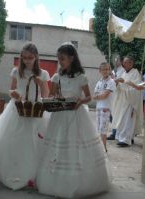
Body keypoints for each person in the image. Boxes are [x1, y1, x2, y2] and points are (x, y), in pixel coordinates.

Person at [36, 43, 111, 198]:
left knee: (75, 145)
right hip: (60, 114)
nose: (60, 61)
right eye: (58, 59)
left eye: (62, 58)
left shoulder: (81, 77)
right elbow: (54, 95)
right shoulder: (57, 77)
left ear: (71, 58)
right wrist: (54, 98)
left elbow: (89, 97)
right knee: (59, 145)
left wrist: (80, 102)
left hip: (77, 114)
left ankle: (78, 181)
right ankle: (57, 181)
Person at [0, 42, 50, 190]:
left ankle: (32, 173)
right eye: (24, 58)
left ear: (36, 57)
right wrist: (14, 94)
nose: (27, 61)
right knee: (14, 140)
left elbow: (46, 95)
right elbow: (11, 89)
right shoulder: (16, 71)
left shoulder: (43, 73)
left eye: (30, 57)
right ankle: (14, 170)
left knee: (33, 143)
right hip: (18, 108)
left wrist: (40, 83)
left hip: (35, 109)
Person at [111, 55, 144, 147]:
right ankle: (125, 137)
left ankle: (125, 139)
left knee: (127, 121)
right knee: (122, 120)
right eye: (124, 62)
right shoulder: (123, 73)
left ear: (131, 63)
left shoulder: (135, 73)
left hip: (130, 102)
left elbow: (136, 88)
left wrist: (123, 82)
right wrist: (117, 83)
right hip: (122, 101)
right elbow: (119, 87)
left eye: (126, 62)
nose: (124, 64)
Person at [94, 63, 116, 152]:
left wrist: (99, 95)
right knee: (99, 129)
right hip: (98, 107)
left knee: (103, 130)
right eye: (103, 69)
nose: (106, 71)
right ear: (100, 71)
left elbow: (105, 96)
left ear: (110, 70)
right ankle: (100, 148)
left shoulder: (111, 82)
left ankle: (104, 149)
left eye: (107, 69)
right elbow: (94, 95)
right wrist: (100, 95)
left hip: (105, 108)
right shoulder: (99, 82)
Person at [107, 55, 125, 140]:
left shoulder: (122, 71)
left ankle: (116, 133)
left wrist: (112, 77)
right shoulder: (116, 70)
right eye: (115, 60)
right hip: (114, 95)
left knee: (116, 114)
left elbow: (118, 82)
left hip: (119, 95)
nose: (115, 61)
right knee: (113, 114)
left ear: (121, 62)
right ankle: (115, 132)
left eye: (117, 60)